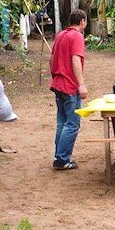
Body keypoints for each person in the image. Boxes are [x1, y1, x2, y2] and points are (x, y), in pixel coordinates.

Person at [49, 9, 88, 171]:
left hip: (58, 83)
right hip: (69, 85)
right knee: (72, 123)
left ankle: (60, 155)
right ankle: (62, 159)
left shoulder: (61, 35)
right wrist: (81, 84)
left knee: (62, 122)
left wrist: (55, 74)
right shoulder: (77, 36)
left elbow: (51, 59)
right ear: (82, 21)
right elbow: (75, 60)